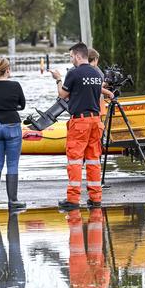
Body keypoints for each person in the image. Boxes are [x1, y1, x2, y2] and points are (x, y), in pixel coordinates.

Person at [51, 42, 104, 210]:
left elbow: (62, 94)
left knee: (74, 160)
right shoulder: (97, 74)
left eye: (71, 56)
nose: (71, 59)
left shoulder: (73, 73)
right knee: (93, 159)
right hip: (96, 121)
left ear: (78, 55)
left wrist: (58, 79)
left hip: (80, 122)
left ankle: (73, 199)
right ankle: (95, 198)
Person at [0, 57, 26, 210]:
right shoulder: (15, 85)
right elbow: (22, 104)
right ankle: (13, 200)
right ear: (8, 69)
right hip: (12, 124)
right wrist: (11, 106)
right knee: (12, 164)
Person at [67, 208, 109, 288]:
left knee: (95, 233)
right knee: (76, 234)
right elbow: (105, 271)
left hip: (94, 283)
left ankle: (96, 206)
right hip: (80, 282)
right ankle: (73, 208)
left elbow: (105, 271)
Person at [87, 48, 115, 115]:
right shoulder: (94, 70)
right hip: (95, 106)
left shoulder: (80, 69)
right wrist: (109, 92)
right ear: (95, 59)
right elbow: (96, 86)